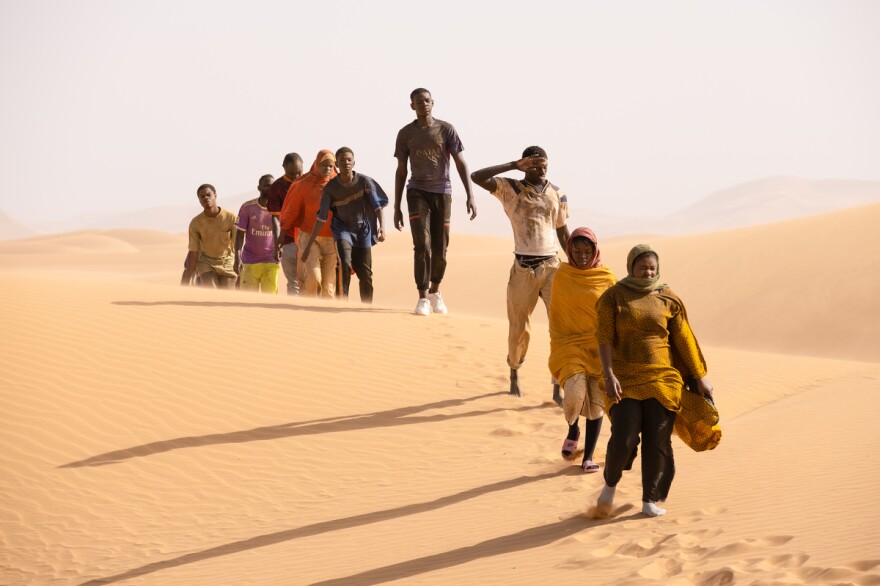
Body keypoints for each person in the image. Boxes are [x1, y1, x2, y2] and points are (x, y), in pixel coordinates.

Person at [594, 244, 715, 518]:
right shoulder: (613, 297)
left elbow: (684, 339)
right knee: (624, 436)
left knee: (657, 439)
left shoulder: (668, 298)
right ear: (631, 267)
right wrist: (608, 374)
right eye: (642, 267)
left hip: (662, 378)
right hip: (625, 377)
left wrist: (699, 377)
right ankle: (610, 485)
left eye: (652, 268)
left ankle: (650, 499)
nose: (648, 272)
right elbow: (603, 337)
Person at [471, 147, 569, 398]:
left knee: (560, 327)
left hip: (552, 267)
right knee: (518, 329)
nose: (541, 169)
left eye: (543, 164)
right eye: (534, 164)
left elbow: (562, 230)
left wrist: (578, 265)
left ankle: (557, 384)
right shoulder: (510, 188)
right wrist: (514, 164)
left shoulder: (558, 193)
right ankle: (514, 371)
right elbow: (477, 177)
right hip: (523, 268)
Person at [393, 87, 477, 316]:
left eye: (427, 101)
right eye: (419, 102)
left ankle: (435, 291)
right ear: (412, 105)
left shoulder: (446, 129)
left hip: (442, 192)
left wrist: (470, 194)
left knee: (441, 247)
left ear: (433, 103)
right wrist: (396, 206)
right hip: (417, 192)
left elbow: (460, 163)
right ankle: (422, 297)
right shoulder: (405, 134)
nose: (424, 104)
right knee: (422, 245)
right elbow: (401, 171)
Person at [548, 228, 617, 473]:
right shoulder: (562, 275)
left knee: (596, 405)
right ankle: (573, 427)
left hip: (600, 349)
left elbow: (618, 309)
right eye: (576, 251)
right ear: (569, 250)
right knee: (575, 396)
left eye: (587, 251)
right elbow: (557, 316)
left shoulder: (606, 277)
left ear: (595, 250)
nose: (582, 256)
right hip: (568, 346)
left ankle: (588, 457)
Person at [300, 147, 388, 303]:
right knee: (345, 264)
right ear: (337, 165)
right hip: (343, 230)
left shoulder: (364, 182)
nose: (346, 162)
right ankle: (343, 303)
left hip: (363, 231)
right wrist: (307, 247)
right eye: (342, 160)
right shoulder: (330, 188)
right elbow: (321, 218)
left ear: (354, 162)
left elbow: (377, 207)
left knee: (366, 274)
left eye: (349, 159)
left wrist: (382, 228)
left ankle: (366, 306)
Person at [281, 149, 338, 298]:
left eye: (331, 166)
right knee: (313, 278)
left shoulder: (339, 184)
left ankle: (323, 318)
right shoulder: (304, 184)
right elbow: (292, 209)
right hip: (308, 237)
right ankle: (306, 312)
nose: (327, 169)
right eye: (323, 165)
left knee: (328, 287)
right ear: (316, 165)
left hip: (332, 239)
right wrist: (285, 226)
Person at [181, 184, 238, 288]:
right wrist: (186, 280)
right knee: (212, 293)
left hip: (227, 264)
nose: (206, 198)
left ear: (215, 195)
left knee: (227, 297)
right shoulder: (196, 223)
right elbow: (193, 251)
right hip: (206, 264)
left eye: (208, 195)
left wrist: (240, 266)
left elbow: (238, 246)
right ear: (199, 200)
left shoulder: (231, 218)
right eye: (202, 196)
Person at [235, 174, 280, 294]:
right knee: (248, 302)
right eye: (267, 186)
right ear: (259, 188)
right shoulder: (247, 207)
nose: (270, 189)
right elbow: (239, 235)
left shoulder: (280, 207)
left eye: (272, 186)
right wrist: (237, 258)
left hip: (271, 261)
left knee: (270, 302)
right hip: (249, 261)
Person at [266, 153, 304, 295]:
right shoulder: (277, 187)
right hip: (288, 240)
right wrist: (277, 242)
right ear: (283, 168)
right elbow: (275, 218)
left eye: (299, 173)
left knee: (310, 279)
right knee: (293, 282)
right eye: (292, 173)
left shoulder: (309, 182)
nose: (296, 177)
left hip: (309, 239)